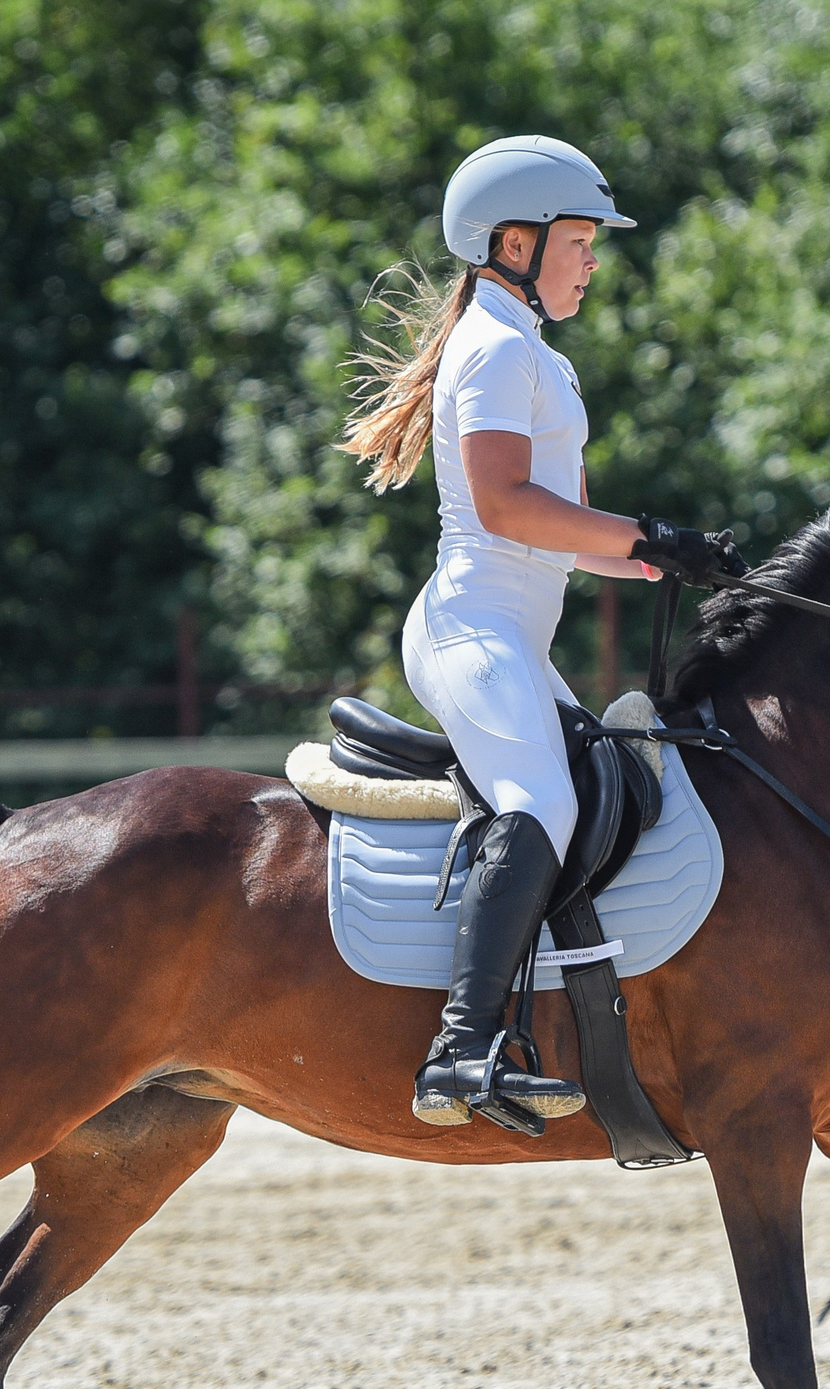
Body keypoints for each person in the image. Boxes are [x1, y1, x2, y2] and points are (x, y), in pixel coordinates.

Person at [340, 135, 729, 1131]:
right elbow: (506, 505)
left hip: (513, 637)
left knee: (593, 783)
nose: (593, 260)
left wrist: (666, 557)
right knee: (541, 798)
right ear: (515, 243)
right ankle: (457, 1052)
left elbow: (572, 530)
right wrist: (646, 534)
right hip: (470, 630)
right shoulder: (495, 348)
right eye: (580, 241)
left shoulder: (536, 354)